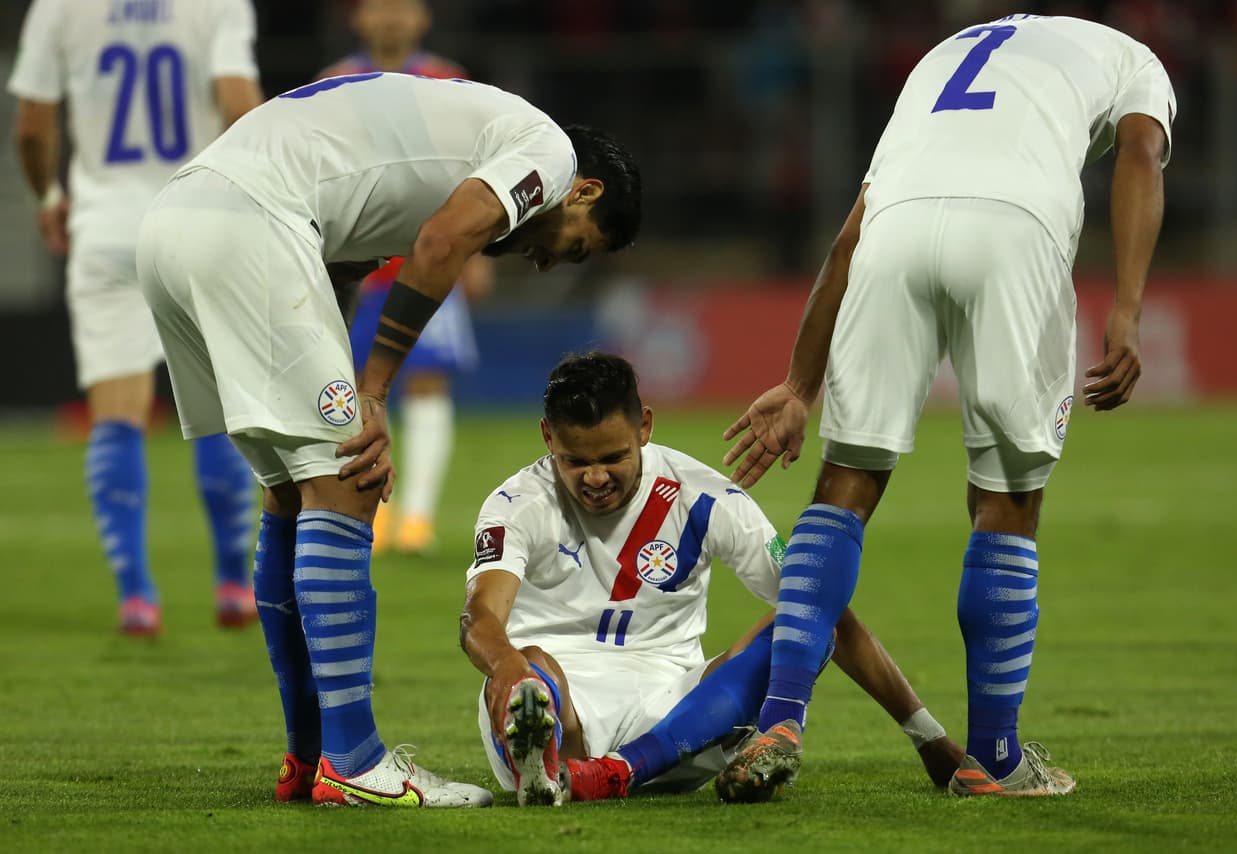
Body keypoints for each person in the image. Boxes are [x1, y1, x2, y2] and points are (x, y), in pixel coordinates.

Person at [134, 72, 642, 807]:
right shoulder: (550, 153)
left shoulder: (479, 133)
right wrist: (370, 390)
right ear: (584, 191)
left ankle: (308, 756)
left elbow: (352, 237)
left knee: (292, 493)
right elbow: (441, 243)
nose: (548, 259)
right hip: (250, 222)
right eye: (576, 247)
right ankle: (356, 761)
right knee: (351, 478)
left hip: (176, 221)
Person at [717, 13, 1175, 800]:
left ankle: (781, 719)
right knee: (1006, 499)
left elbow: (850, 235)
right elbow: (1139, 154)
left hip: (895, 232)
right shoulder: (1132, 57)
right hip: (1014, 229)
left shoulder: (942, 54)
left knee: (843, 487)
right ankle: (994, 758)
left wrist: (800, 385)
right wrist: (1128, 305)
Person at [459, 352, 964, 806]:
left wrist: (929, 738)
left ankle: (608, 773)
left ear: (645, 428)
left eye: (613, 457)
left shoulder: (702, 497)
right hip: (552, 703)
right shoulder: (516, 504)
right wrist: (505, 667)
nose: (595, 478)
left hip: (677, 713)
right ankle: (552, 758)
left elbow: (817, 609)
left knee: (809, 619)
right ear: (549, 438)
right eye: (576, 462)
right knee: (530, 664)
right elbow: (481, 616)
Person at [8, 0, 265, 635]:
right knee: (215, 408)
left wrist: (49, 194)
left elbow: (33, 127)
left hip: (105, 228)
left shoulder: (60, 7)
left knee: (115, 415)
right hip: (197, 221)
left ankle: (137, 595)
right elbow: (241, 106)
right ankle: (233, 584)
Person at [318, 0, 494, 555]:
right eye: (379, 7)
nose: (391, 17)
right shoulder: (333, 85)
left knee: (426, 384)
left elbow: (477, 171)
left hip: (428, 256)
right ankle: (367, 517)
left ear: (423, 17)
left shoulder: (449, 81)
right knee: (344, 393)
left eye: (402, 7)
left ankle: (415, 517)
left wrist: (480, 251)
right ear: (356, 17)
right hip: (352, 264)